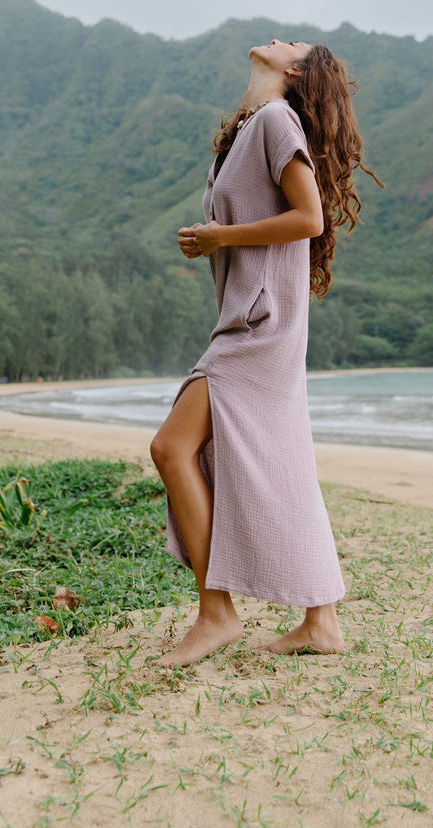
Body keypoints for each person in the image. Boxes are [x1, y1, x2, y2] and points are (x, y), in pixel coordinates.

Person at [150, 38, 381, 666]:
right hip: (254, 319)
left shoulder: (278, 120)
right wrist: (213, 244)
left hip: (260, 327)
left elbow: (308, 219)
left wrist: (219, 235)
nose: (277, 37)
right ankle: (321, 622)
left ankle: (216, 614)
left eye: (291, 41)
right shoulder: (250, 130)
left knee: (172, 447)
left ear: (294, 69)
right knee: (279, 463)